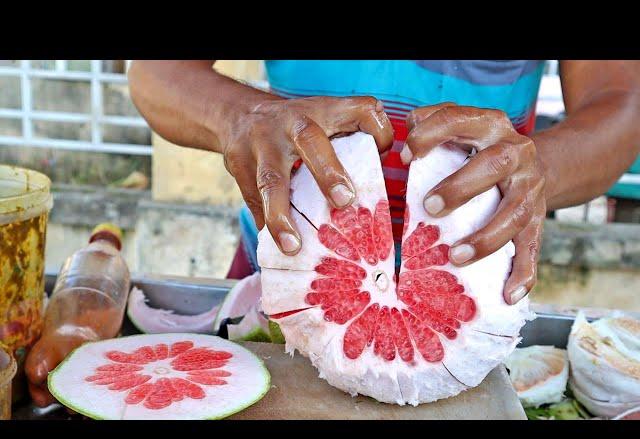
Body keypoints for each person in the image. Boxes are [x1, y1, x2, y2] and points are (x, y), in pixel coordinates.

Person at [128, 60, 640, 304]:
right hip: (281, 276)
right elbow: (154, 73)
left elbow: (620, 100)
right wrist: (242, 116)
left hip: (470, 299)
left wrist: (541, 167)